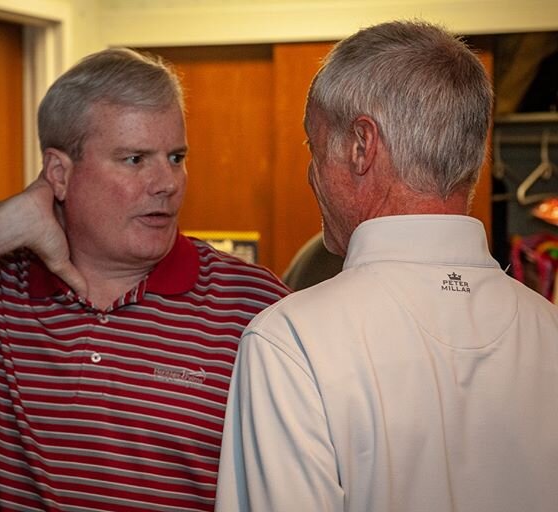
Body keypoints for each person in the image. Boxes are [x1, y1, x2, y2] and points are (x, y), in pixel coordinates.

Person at [0, 48, 289, 511]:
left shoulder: (255, 306)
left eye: (176, 157)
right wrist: (4, 222)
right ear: (59, 173)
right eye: (135, 159)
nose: (167, 183)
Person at [215, 20, 558, 512]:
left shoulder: (292, 341)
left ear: (361, 145)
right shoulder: (550, 331)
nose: (311, 175)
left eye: (314, 147)